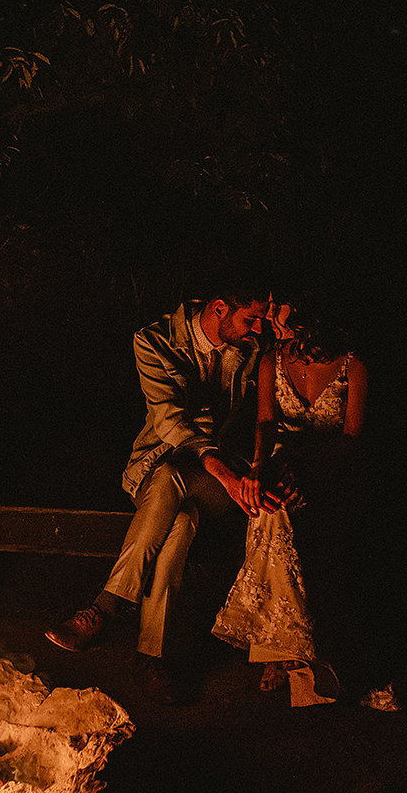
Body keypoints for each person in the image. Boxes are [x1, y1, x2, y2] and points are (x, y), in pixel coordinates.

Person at [44, 280, 271, 704]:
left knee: (174, 481)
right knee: (180, 521)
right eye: (250, 318)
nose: (257, 328)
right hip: (158, 470)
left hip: (222, 481)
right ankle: (150, 657)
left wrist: (235, 472)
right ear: (219, 308)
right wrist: (217, 467)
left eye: (262, 318)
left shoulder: (255, 349)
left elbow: (264, 416)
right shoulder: (155, 340)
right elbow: (169, 420)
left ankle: (108, 604)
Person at [211, 297, 371, 706]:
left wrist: (310, 472)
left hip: (335, 466)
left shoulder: (353, 365)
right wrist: (259, 469)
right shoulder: (271, 360)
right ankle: (294, 647)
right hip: (286, 459)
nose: (269, 318)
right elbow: (265, 421)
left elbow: (351, 438)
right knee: (270, 505)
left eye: (278, 309)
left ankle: (281, 650)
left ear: (307, 316)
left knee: (288, 513)